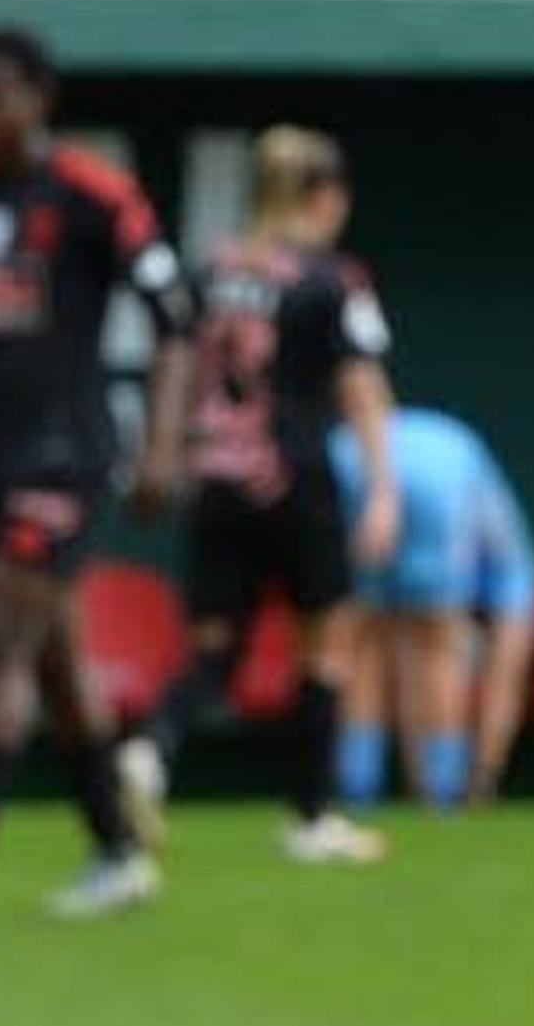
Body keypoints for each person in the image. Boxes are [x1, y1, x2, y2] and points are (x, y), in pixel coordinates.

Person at [0, 25, 196, 918]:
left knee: (2, 642)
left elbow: (176, 319)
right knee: (59, 664)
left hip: (64, 454)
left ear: (36, 98)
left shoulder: (95, 196)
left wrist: (163, 447)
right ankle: (116, 849)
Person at [124, 128, 398, 865]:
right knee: (327, 642)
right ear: (323, 196)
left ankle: (151, 749)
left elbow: (177, 366)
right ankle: (312, 816)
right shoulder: (332, 278)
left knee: (213, 652)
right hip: (295, 474)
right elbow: (363, 386)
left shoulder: (210, 270)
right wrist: (381, 490)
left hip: (215, 477)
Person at [331, 404, 534, 815]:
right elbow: (506, 675)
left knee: (364, 642)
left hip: (349, 456)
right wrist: (485, 769)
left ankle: (359, 787)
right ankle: (441, 792)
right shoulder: (516, 572)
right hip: (423, 472)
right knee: (434, 650)